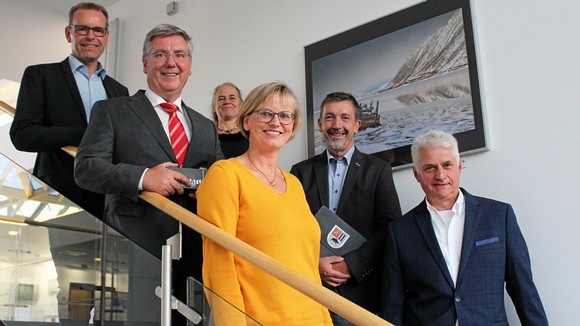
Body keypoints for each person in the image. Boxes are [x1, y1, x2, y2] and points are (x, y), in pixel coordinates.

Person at [74, 24, 223, 321]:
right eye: (160, 55)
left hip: (197, 255)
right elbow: (86, 168)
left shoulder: (206, 125)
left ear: (189, 66)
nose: (171, 63)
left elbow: (221, 180)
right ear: (145, 63)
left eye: (179, 55)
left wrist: (212, 180)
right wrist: (143, 178)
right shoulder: (112, 111)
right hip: (136, 250)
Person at [197, 81, 332, 325]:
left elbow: (309, 268)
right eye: (266, 113)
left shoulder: (294, 184)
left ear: (292, 126)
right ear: (246, 121)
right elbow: (219, 266)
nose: (276, 122)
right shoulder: (225, 174)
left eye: (285, 115)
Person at [380, 130, 548, 325]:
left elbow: (524, 291)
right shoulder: (399, 232)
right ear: (416, 174)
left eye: (447, 165)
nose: (440, 175)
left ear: (459, 166)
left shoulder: (499, 216)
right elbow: (392, 306)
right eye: (429, 168)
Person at [290, 92, 402, 325]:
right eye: (329, 117)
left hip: (359, 295)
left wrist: (352, 264)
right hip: (309, 290)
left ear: (357, 125)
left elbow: (390, 227)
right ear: (320, 124)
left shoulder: (378, 170)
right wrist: (314, 263)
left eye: (344, 118)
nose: (337, 125)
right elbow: (290, 230)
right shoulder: (299, 173)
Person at [10, 2, 128, 218]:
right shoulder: (41, 76)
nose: (90, 36)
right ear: (69, 33)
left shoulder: (119, 90)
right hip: (58, 194)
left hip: (107, 196)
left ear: (106, 37)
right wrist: (83, 135)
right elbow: (22, 135)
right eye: (82, 29)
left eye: (98, 30)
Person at [211, 82, 249, 158]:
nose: (227, 102)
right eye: (221, 98)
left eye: (232, 98)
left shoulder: (252, 135)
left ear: (241, 105)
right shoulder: (206, 136)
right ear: (214, 107)